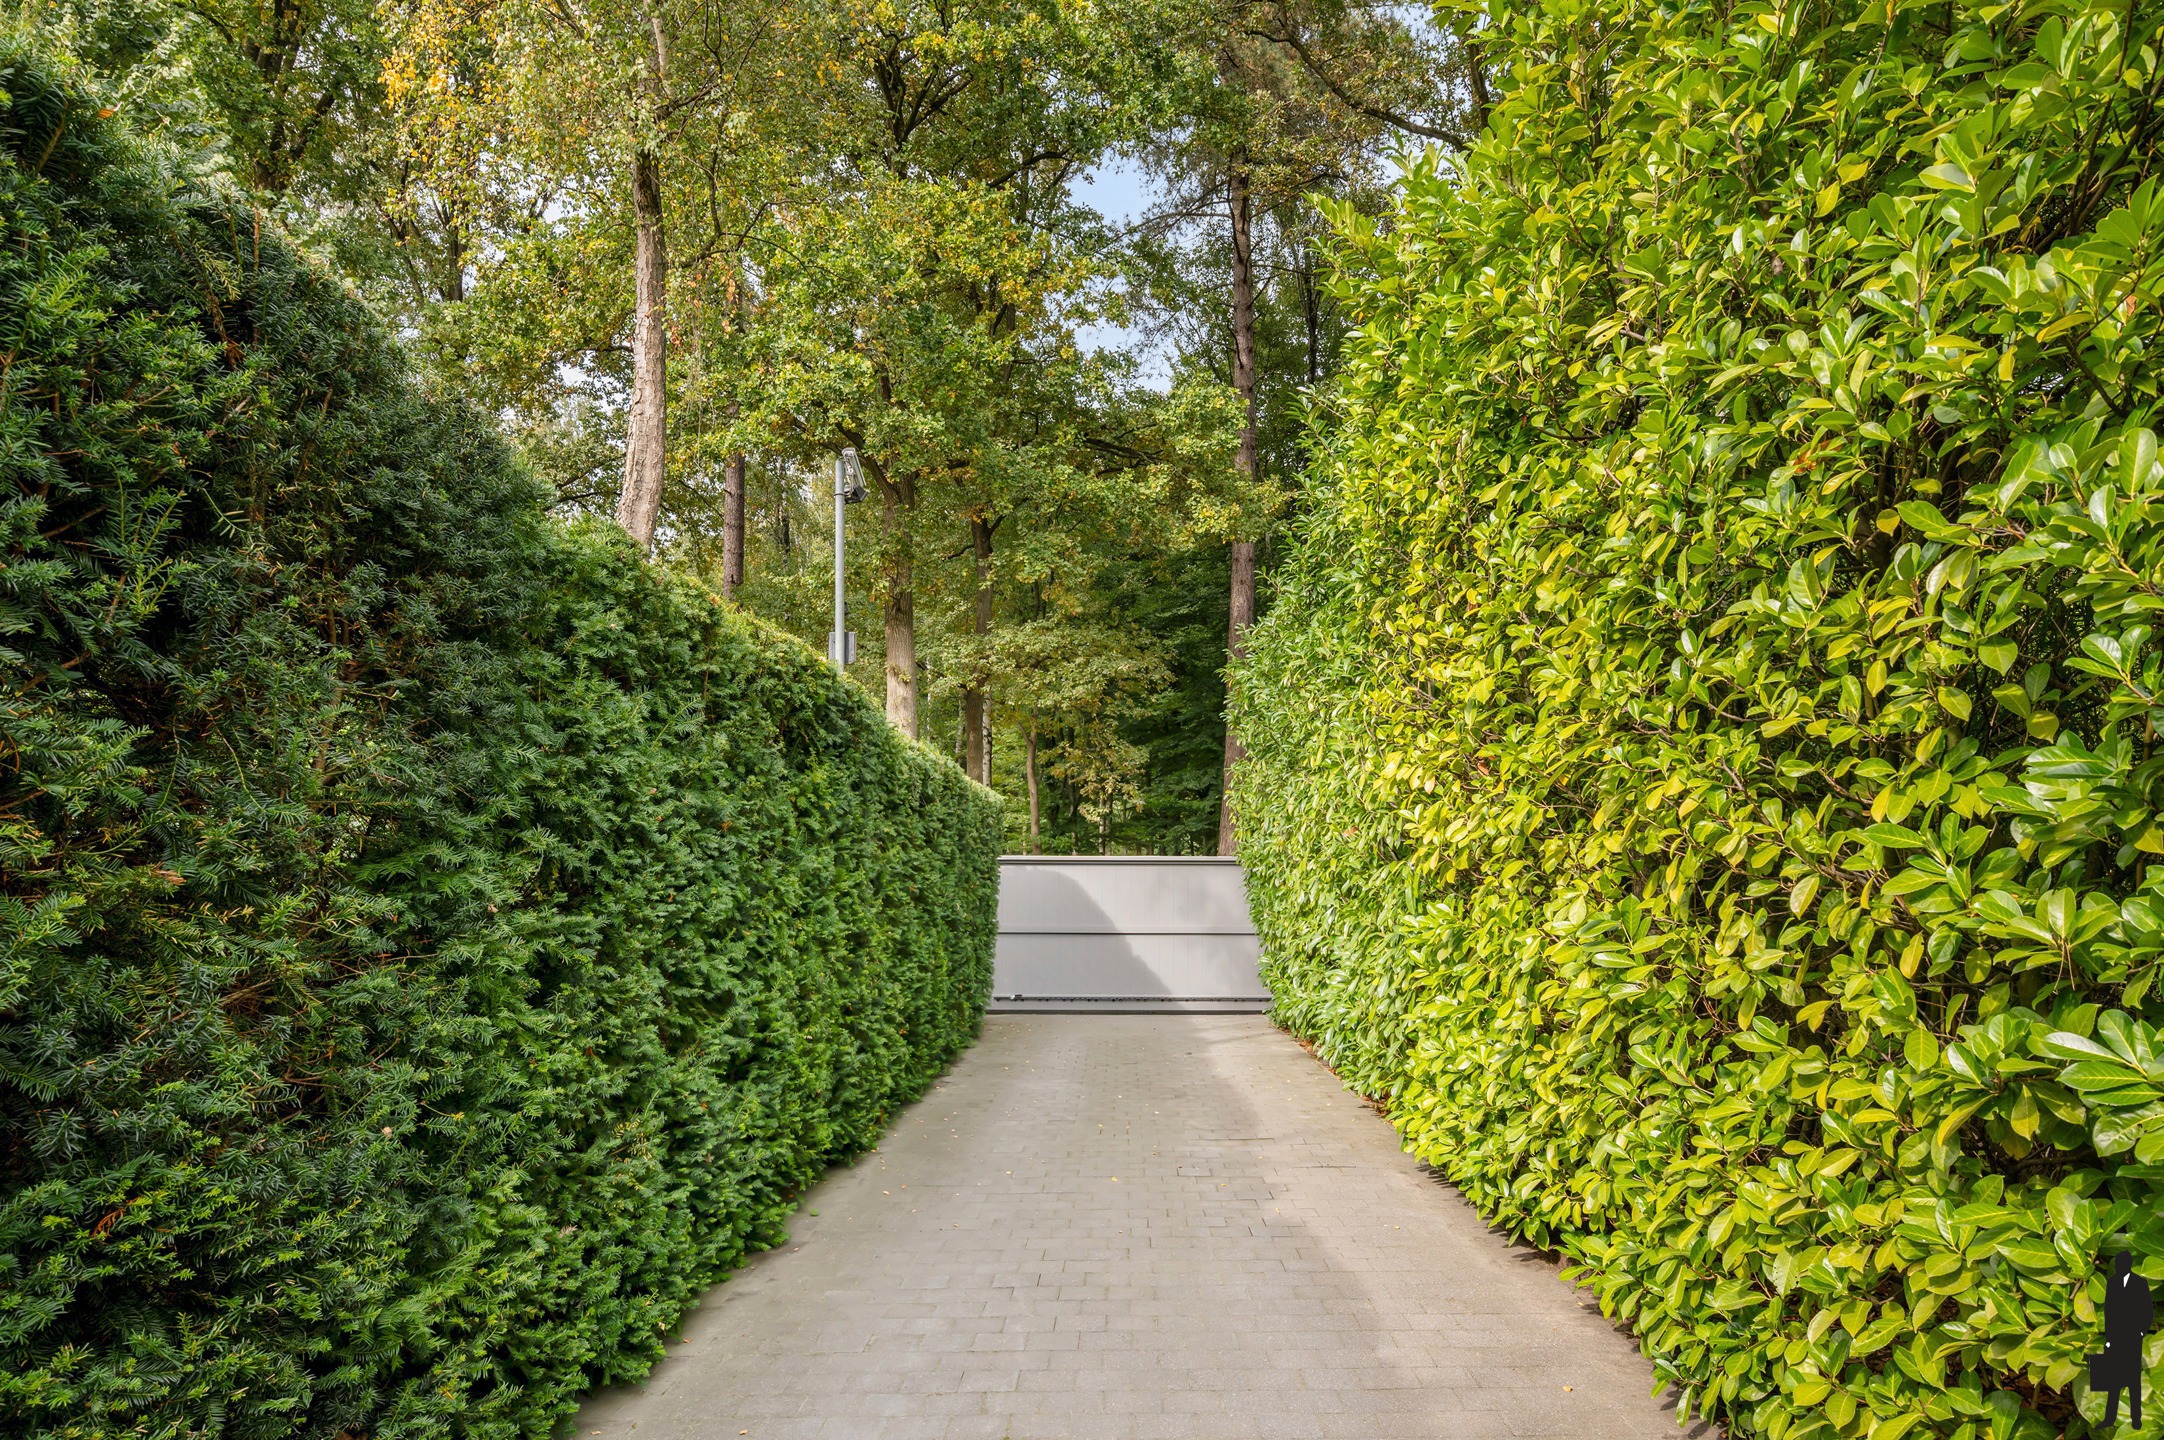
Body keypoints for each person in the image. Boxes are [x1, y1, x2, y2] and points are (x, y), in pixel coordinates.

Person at [2092, 1251, 2154, 1428]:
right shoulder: (2112, 1283)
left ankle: (2135, 1419)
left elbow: (2146, 1310)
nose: (2120, 1266)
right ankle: (2109, 1418)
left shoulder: (2140, 1283)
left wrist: (2140, 1332)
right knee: (2113, 1380)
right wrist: (2109, 1338)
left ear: (2128, 1264)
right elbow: (2109, 1312)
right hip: (2116, 1338)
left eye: (2122, 1263)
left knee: (2133, 1380)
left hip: (2133, 1338)